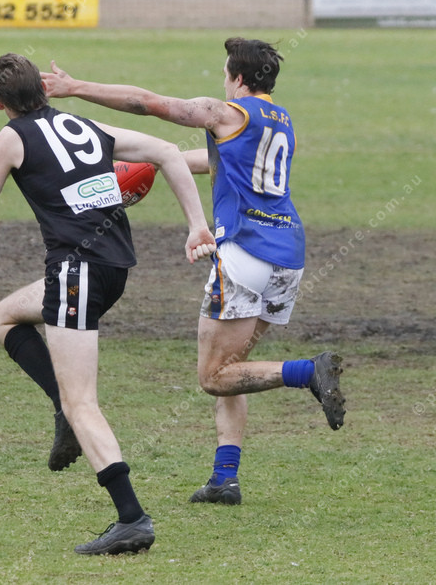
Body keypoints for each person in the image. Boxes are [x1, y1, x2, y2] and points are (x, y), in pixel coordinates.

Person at [41, 37, 346, 506]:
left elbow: (146, 102)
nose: (223, 81)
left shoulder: (225, 112)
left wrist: (75, 87)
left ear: (238, 77)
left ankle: (308, 371)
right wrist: (159, 162)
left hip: (245, 253)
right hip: (288, 256)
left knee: (214, 376)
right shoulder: (281, 121)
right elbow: (223, 162)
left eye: (226, 73)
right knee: (236, 368)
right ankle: (225, 478)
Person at [0, 52, 216, 554]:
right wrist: (197, 224)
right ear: (44, 91)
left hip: (76, 273)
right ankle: (61, 409)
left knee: (82, 400)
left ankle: (131, 518)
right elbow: (169, 152)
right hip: (112, 269)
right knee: (5, 316)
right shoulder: (83, 125)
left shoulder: (11, 137)